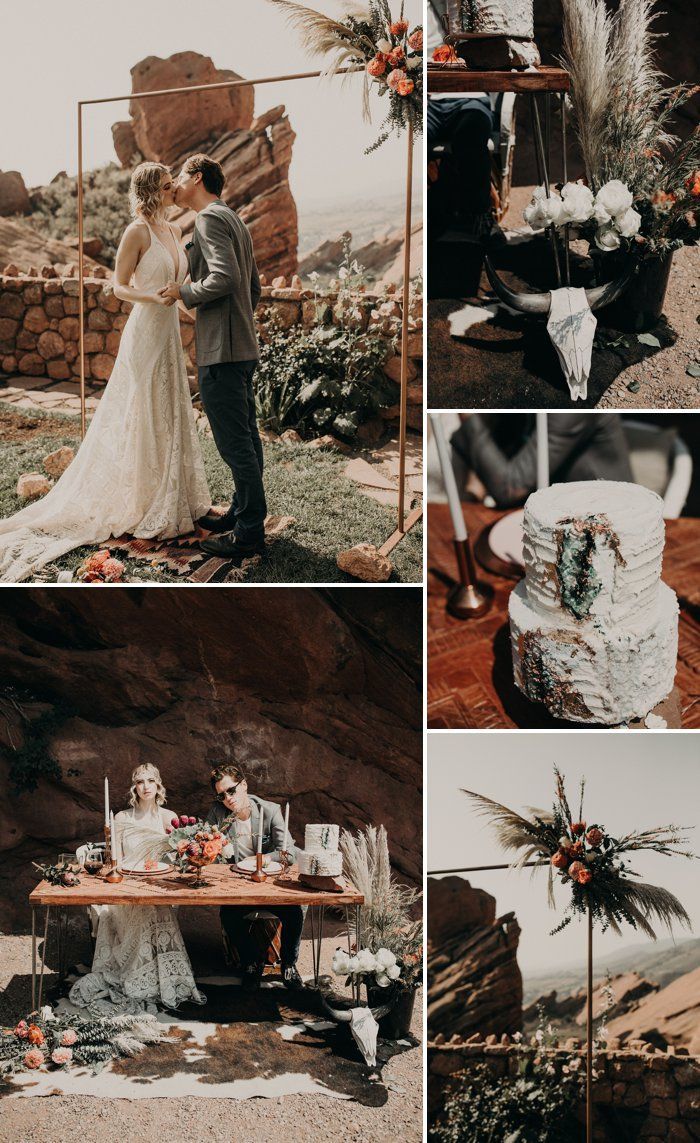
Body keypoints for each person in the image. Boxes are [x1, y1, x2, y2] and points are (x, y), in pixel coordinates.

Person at [0, 161, 211, 583]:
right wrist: (152, 296)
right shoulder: (137, 232)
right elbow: (118, 286)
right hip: (146, 329)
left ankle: (170, 494)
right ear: (153, 191)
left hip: (169, 331)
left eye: (174, 185)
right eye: (169, 186)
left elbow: (184, 283)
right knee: (143, 409)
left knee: (169, 408)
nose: (175, 191)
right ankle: (139, 498)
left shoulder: (175, 231)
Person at [160, 154, 267, 561]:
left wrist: (181, 292)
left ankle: (249, 532)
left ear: (198, 177)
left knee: (235, 444)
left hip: (221, 351)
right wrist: (238, 323)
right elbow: (252, 288)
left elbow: (226, 278)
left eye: (180, 177)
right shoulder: (233, 217)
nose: (175, 184)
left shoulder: (207, 219)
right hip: (242, 346)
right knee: (247, 438)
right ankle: (241, 511)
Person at [69, 763, 206, 1015]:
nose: (146, 787)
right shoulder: (122, 818)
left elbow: (177, 861)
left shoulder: (169, 817)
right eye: (140, 782)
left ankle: (165, 979)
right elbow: (116, 862)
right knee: (145, 910)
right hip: (128, 888)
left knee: (155, 907)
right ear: (134, 787)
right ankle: (139, 979)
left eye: (151, 781)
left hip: (160, 885)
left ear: (158, 785)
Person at [207, 763, 304, 993]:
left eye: (231, 790)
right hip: (238, 887)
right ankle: (252, 961)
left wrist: (257, 861)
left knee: (294, 912)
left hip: (270, 885)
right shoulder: (218, 814)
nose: (228, 798)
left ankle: (289, 964)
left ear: (244, 785)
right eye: (222, 795)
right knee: (228, 914)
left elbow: (288, 852)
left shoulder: (269, 810)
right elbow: (207, 848)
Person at [450, 413, 634, 507]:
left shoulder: (568, 412)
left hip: (604, 515)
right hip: (546, 510)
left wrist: (466, 414)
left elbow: (509, 488)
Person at [427, 0, 497, 240]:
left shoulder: (470, 7)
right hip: (430, 100)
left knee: (471, 134)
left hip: (470, 96)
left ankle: (480, 213)